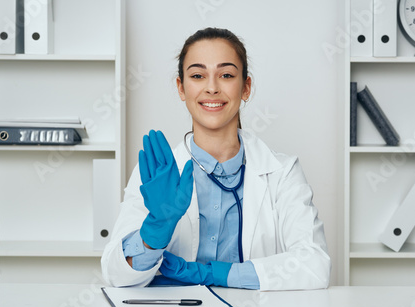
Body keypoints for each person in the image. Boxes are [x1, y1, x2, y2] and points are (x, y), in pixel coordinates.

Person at [101, 27, 331, 291]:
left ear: (246, 87)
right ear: (181, 88)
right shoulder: (159, 173)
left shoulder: (282, 172)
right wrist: (154, 230)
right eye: (198, 75)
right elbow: (115, 274)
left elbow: (315, 265)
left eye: (226, 75)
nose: (211, 88)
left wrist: (212, 274)